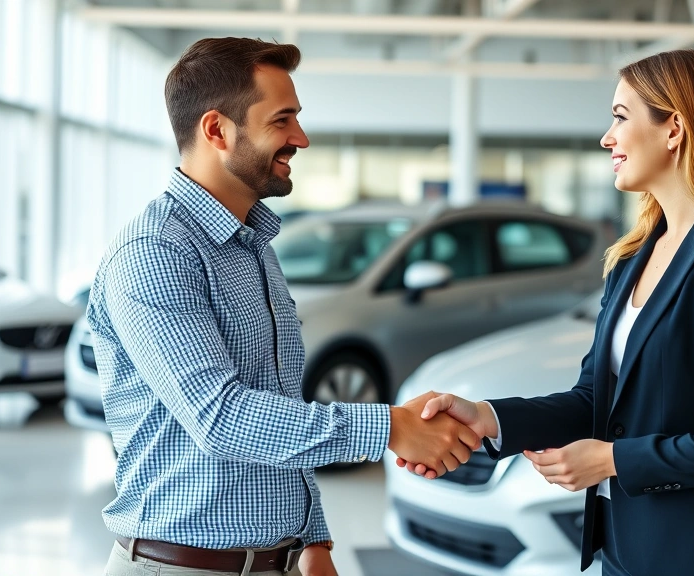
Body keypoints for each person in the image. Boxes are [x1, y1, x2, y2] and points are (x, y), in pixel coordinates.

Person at [399, 30, 694, 576]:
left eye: (620, 117)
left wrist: (609, 459)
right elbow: (594, 400)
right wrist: (489, 418)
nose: (607, 139)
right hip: (626, 548)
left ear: (674, 127)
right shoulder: (634, 255)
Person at [87, 37, 479, 576]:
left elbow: (277, 407)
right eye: (282, 120)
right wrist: (389, 427)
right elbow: (220, 417)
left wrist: (312, 539)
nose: (301, 138)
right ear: (217, 130)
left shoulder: (254, 247)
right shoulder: (156, 253)